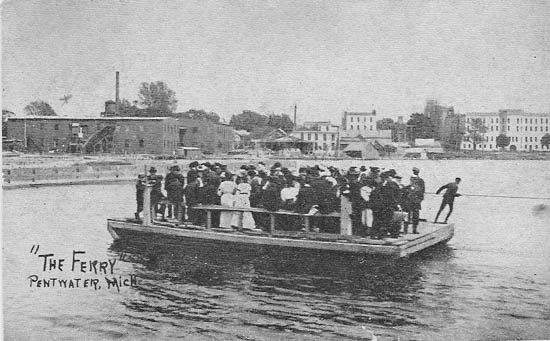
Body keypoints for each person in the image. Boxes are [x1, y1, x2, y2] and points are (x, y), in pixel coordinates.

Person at [405, 167, 425, 234]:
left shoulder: (411, 179)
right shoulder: (420, 180)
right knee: (414, 215)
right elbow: (422, 190)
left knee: (408, 215)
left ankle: (407, 230)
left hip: (411, 200)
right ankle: (413, 229)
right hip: (414, 200)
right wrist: (421, 199)